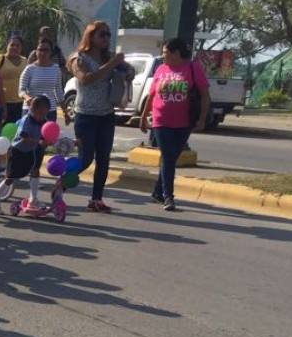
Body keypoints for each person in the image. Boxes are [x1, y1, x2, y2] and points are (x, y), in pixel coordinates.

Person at [69, 20, 133, 212]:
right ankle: (62, 182)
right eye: (101, 34)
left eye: (108, 35)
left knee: (103, 159)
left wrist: (128, 70)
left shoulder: (110, 56)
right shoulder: (77, 57)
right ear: (91, 36)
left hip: (106, 116)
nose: (106, 38)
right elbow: (85, 79)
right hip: (86, 116)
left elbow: (130, 70)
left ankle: (96, 199)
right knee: (86, 158)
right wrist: (111, 64)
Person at [139, 37, 209, 212]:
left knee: (171, 158)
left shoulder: (192, 68)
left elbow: (205, 96)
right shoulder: (161, 69)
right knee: (168, 157)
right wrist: (143, 116)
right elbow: (152, 94)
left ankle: (157, 191)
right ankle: (168, 196)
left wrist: (201, 119)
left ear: (176, 53)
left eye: (164, 52)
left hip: (184, 122)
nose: (162, 56)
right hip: (161, 120)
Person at [0, 95, 52, 214]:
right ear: (32, 109)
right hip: (17, 151)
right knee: (10, 178)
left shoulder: (44, 121)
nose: (42, 116)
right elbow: (24, 137)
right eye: (40, 113)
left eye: (45, 114)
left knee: (35, 172)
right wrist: (39, 141)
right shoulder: (26, 120)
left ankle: (33, 200)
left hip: (31, 152)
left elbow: (48, 134)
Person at [19, 38, 68, 124]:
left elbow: (59, 91)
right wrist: (27, 98)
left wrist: (65, 112)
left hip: (49, 111)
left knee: (48, 137)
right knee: (28, 137)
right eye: (40, 50)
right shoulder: (29, 69)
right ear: (36, 51)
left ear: (50, 52)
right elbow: (21, 90)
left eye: (46, 50)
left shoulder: (56, 69)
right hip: (31, 110)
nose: (43, 53)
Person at [0, 36, 26, 123]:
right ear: (7, 46)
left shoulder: (25, 61)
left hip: (21, 102)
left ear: (21, 48)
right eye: (12, 45)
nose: (15, 47)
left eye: (18, 45)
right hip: (3, 103)